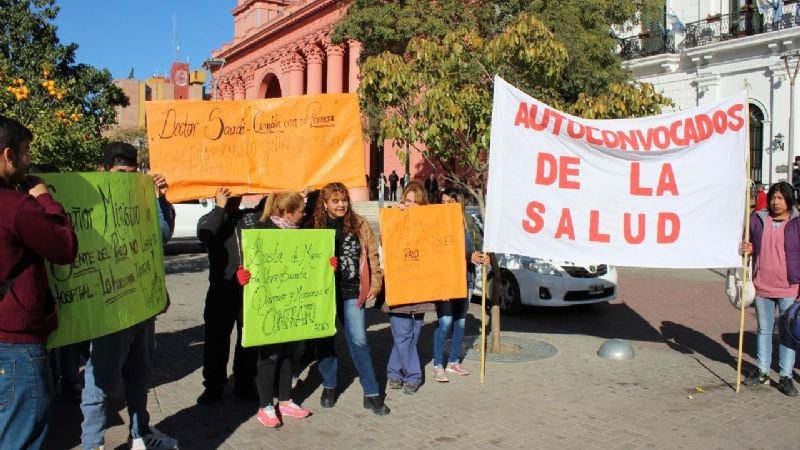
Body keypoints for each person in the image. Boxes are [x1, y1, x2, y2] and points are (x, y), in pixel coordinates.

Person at [80, 142, 179, 450]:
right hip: (110, 308)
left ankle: (140, 433)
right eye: (120, 172)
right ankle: (91, 444)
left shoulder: (142, 199)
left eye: (132, 173)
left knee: (139, 374)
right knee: (100, 382)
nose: (126, 178)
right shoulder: (89, 203)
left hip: (141, 306)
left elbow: (161, 236)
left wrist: (160, 200)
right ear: (103, 171)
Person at [0, 116, 78, 449]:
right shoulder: (17, 207)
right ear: (8, 156)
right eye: (25, 152)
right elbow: (64, 247)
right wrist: (45, 199)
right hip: (15, 347)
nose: (28, 160)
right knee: (20, 438)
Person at [312, 182, 390, 415]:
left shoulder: (359, 224)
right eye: (335, 201)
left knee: (359, 341)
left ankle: (372, 392)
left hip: (353, 291)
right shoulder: (315, 227)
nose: (341, 205)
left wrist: (376, 282)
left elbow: (373, 254)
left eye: (344, 200)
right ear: (325, 204)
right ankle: (329, 385)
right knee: (325, 340)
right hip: (324, 294)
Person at [241, 192, 312, 428]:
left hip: (291, 301)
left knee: (289, 353)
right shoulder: (262, 231)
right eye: (301, 211)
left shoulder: (299, 234)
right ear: (287, 212)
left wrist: (325, 265)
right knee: (270, 356)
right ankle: (265, 406)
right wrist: (243, 276)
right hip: (269, 304)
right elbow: (246, 262)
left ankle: (285, 400)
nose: (304, 215)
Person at [195, 187, 258, 404]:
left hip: (248, 290)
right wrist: (220, 207)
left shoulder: (249, 217)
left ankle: (244, 383)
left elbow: (274, 212)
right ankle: (213, 386)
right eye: (226, 194)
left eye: (234, 194)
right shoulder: (209, 219)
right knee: (216, 340)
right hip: (220, 290)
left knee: (248, 341)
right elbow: (206, 234)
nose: (232, 197)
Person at [741, 181, 799, 396]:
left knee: (786, 333)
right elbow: (747, 243)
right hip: (762, 284)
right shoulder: (758, 219)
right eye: (773, 197)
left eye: (780, 198)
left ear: (789, 199)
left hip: (789, 286)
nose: (776, 201)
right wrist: (747, 247)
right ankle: (763, 372)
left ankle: (785, 376)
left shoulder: (797, 222)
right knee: (764, 330)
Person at [431, 187, 489, 382]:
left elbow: (479, 245)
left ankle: (454, 362)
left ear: (459, 202)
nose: (445, 205)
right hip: (446, 281)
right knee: (445, 322)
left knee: (460, 323)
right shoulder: (438, 223)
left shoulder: (469, 222)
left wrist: (483, 257)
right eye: (443, 202)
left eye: (449, 201)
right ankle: (438, 364)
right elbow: (439, 251)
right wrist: (467, 256)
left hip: (466, 279)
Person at [383, 181, 435, 394]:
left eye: (415, 202)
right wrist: (395, 219)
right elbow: (385, 243)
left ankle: (394, 371)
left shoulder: (429, 227)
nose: (410, 205)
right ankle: (414, 375)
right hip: (400, 288)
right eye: (407, 201)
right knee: (402, 332)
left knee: (411, 334)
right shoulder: (393, 221)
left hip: (421, 289)